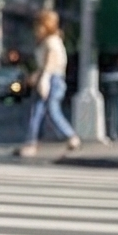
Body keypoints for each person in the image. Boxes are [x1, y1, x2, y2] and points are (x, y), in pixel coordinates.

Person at [17, 11, 80, 158]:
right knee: (43, 111)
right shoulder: (52, 40)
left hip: (52, 79)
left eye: (39, 26)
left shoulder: (51, 42)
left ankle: (33, 143)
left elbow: (50, 64)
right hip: (53, 78)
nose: (36, 30)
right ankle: (69, 137)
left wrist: (43, 78)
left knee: (43, 111)